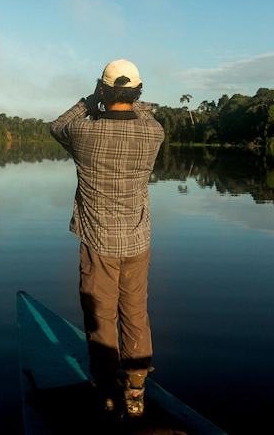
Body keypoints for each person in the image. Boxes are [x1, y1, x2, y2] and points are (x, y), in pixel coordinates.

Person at [49, 59, 165, 418]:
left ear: (103, 89)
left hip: (98, 242)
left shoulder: (84, 133)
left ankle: (107, 390)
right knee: (135, 313)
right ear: (138, 93)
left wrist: (89, 101)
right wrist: (127, 98)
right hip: (137, 241)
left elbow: (57, 126)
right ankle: (135, 389)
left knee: (100, 316)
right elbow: (143, 114)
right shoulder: (154, 133)